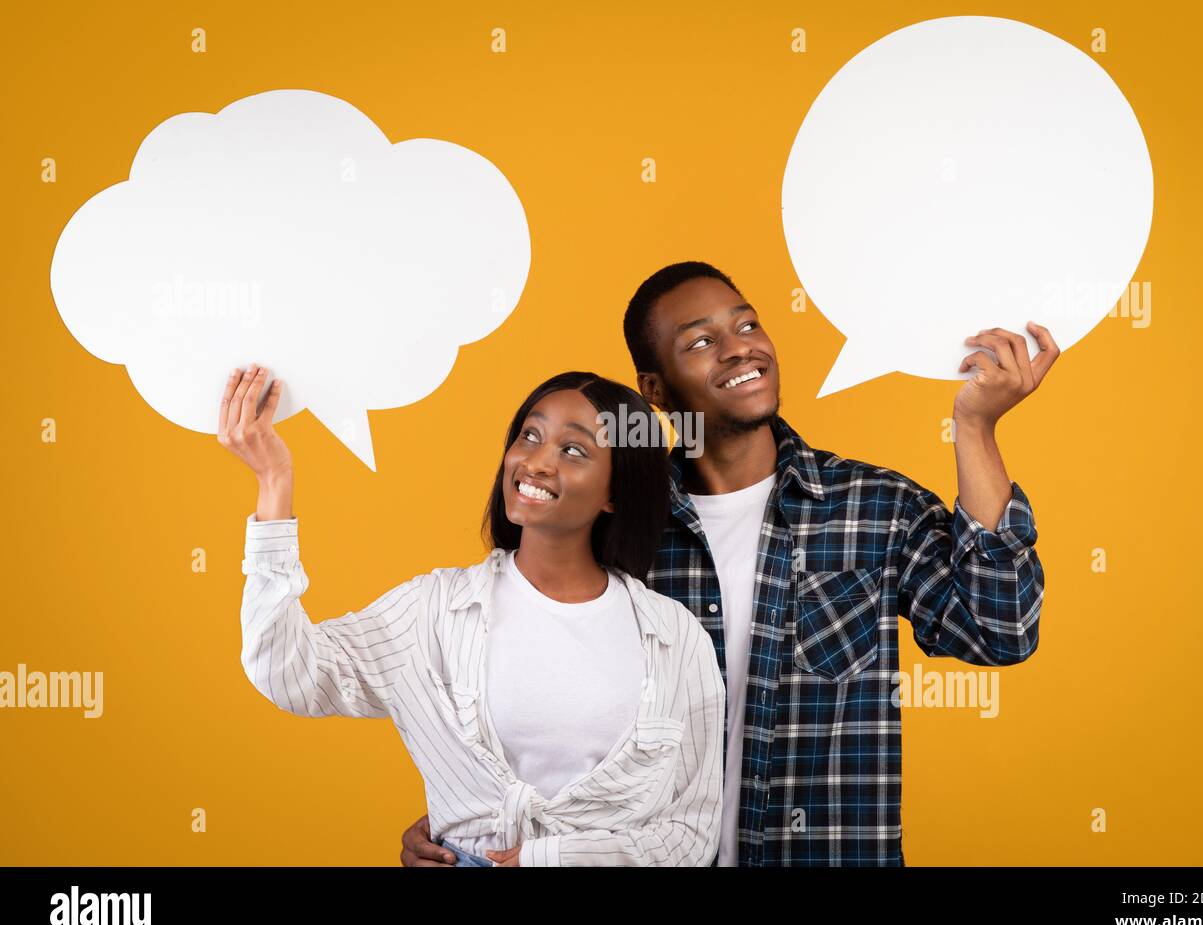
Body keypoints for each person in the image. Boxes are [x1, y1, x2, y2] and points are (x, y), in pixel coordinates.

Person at [401, 261, 1056, 866]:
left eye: (746, 324)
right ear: (654, 389)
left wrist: (975, 428)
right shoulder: (612, 524)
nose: (740, 345)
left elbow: (998, 631)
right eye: (700, 341)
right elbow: (525, 701)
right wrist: (463, 824)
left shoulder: (876, 508)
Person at [223, 367, 725, 866]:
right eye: (530, 435)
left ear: (615, 490)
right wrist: (274, 482)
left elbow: (692, 831)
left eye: (573, 450)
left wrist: (551, 858)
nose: (537, 462)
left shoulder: (675, 637)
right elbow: (286, 672)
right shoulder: (433, 611)